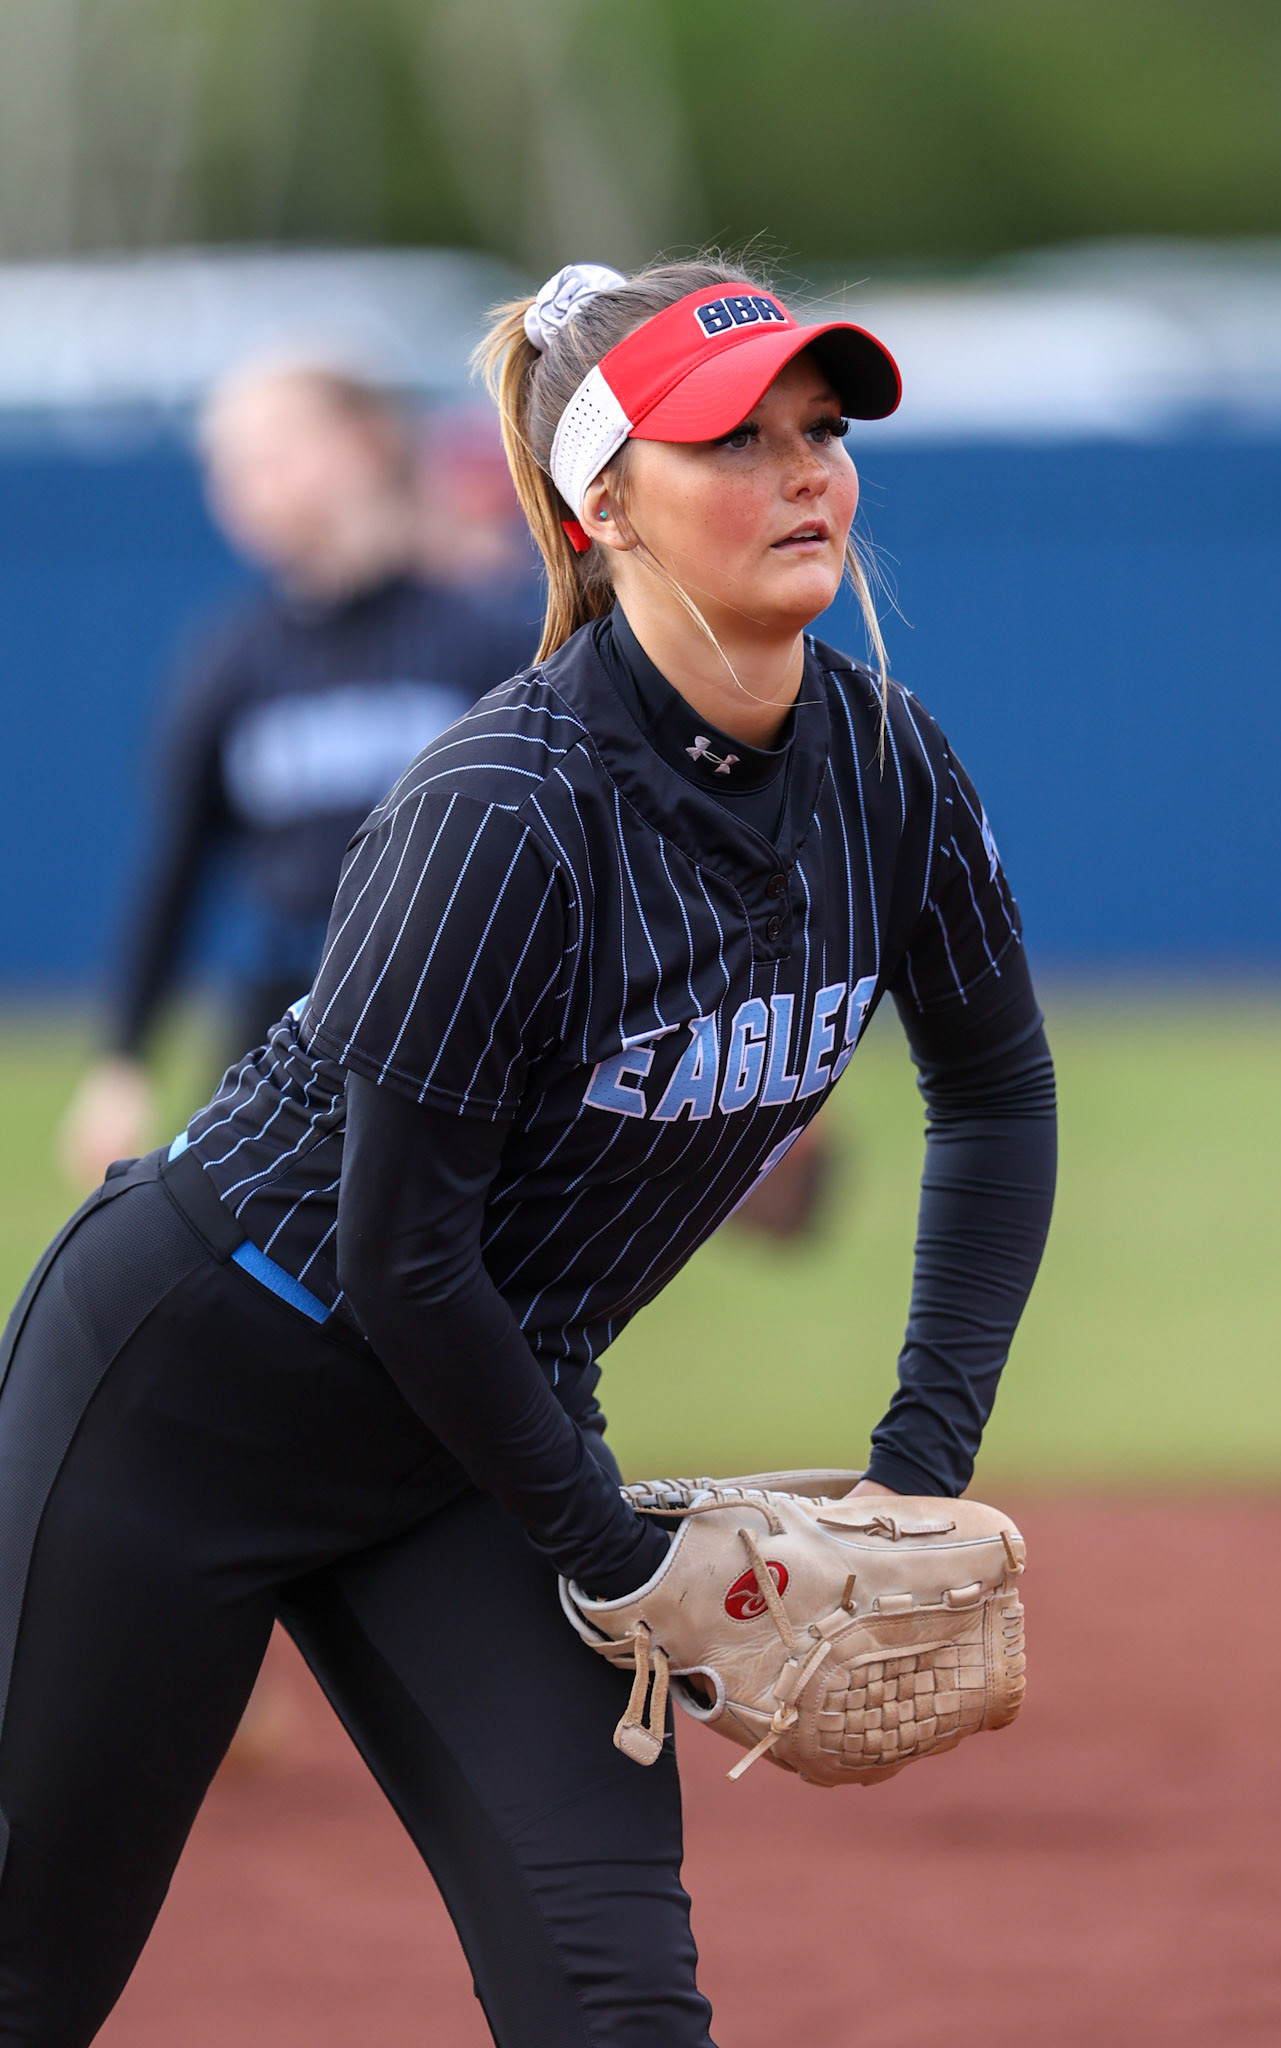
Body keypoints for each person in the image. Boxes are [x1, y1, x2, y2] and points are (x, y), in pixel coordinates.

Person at [0, 258, 1057, 2046]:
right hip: (190, 1387)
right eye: (736, 438)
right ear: (599, 504)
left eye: (823, 429)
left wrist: (915, 1464)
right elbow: (399, 1250)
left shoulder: (890, 772)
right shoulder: (503, 806)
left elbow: (999, 1097)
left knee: (617, 2000)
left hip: (478, 1420)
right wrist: (613, 1549)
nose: (806, 471)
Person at [57, 361, 533, 1191]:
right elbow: (176, 865)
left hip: (449, 1023)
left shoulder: (485, 642)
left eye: (268, 453)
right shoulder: (232, 659)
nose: (238, 486)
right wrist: (123, 1060)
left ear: (364, 445)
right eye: (223, 466)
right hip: (281, 1030)